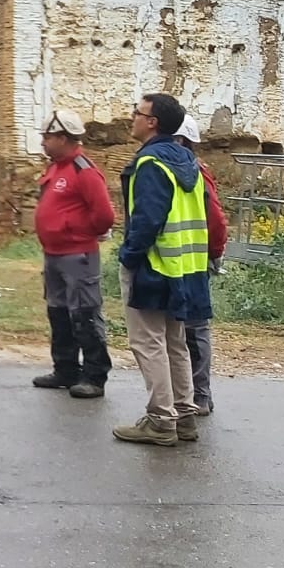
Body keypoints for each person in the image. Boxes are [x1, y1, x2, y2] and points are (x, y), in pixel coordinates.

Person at [113, 93, 213, 448]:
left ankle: (160, 420)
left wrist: (128, 256)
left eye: (136, 112)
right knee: (175, 342)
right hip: (186, 267)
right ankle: (184, 415)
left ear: (152, 122)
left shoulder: (151, 164)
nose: (132, 118)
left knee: (148, 343)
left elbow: (147, 219)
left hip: (154, 265)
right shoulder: (188, 161)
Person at [32, 108, 116, 399]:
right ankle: (65, 369)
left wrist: (78, 232)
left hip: (78, 255)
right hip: (53, 254)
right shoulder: (55, 168)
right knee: (58, 312)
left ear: (63, 137)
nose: (43, 142)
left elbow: (104, 215)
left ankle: (94, 375)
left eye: (47, 136)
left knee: (85, 314)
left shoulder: (84, 171)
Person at [175, 114, 229, 419]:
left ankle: (198, 395)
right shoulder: (188, 170)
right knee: (186, 330)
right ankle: (193, 395)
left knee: (190, 330)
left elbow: (216, 220)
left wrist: (215, 253)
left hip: (187, 263)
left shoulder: (193, 173)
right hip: (185, 261)